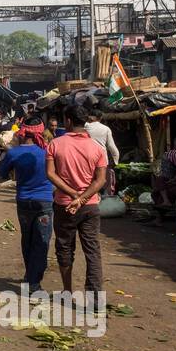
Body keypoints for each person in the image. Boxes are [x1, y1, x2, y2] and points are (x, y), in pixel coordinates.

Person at [46, 106, 108, 304]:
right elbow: (100, 181)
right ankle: (95, 301)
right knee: (92, 251)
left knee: (64, 248)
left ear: (69, 121)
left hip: (64, 204)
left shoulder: (55, 144)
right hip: (90, 206)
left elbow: (50, 173)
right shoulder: (98, 148)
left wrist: (73, 195)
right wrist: (81, 198)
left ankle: (67, 292)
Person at [0, 121, 54, 293]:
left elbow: (1, 172)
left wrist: (9, 153)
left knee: (27, 238)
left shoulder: (14, 152)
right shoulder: (47, 151)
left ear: (22, 133)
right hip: (44, 202)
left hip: (23, 202)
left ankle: (30, 276)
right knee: (42, 241)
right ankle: (33, 282)